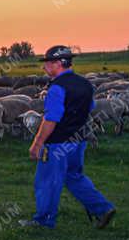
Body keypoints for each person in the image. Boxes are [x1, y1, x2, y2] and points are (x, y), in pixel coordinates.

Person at [20, 45, 115, 229]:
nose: (44, 67)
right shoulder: (85, 84)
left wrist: (37, 142)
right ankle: (103, 209)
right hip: (78, 141)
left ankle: (43, 221)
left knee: (48, 181)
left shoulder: (57, 87)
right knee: (74, 176)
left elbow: (51, 118)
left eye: (47, 63)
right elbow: (90, 108)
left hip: (57, 144)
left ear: (57, 64)